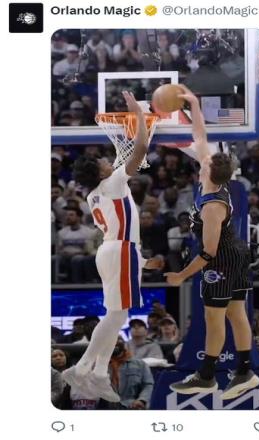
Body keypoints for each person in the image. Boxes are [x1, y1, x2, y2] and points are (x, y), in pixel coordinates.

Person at [61, 91, 163, 403]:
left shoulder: (95, 193)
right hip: (119, 250)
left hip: (115, 250)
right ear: (102, 171)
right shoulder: (114, 183)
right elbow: (141, 148)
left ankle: (99, 372)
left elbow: (120, 230)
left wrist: (142, 262)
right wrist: (139, 115)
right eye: (104, 161)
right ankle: (83, 368)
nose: (109, 160)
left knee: (117, 315)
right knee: (116, 316)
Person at [165, 85, 259, 400]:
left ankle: (206, 377)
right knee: (236, 314)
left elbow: (208, 251)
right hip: (236, 253)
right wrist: (193, 104)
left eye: (203, 162)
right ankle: (245, 372)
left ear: (207, 170)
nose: (200, 160)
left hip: (221, 259)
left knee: (214, 318)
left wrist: (181, 275)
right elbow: (200, 136)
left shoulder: (212, 206)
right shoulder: (214, 179)